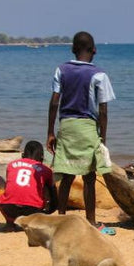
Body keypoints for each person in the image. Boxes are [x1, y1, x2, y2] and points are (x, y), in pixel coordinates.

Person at [46, 31, 116, 235]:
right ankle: (91, 222)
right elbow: (103, 110)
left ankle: (61, 218)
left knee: (66, 175)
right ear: (94, 50)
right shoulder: (99, 75)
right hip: (87, 126)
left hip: (66, 124)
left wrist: (50, 131)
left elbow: (54, 102)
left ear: (73, 49)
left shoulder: (61, 70)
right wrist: (103, 137)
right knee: (89, 177)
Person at [0, 140, 58, 231]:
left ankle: (10, 223)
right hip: (34, 211)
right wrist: (51, 210)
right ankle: (36, 221)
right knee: (46, 184)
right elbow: (53, 192)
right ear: (42, 158)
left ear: (22, 155)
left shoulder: (12, 165)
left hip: (9, 209)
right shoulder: (46, 170)